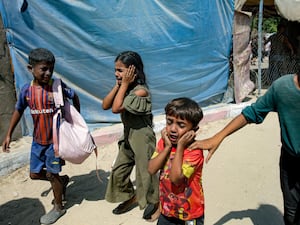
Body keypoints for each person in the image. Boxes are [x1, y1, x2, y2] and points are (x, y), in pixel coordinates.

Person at [190, 62, 300, 225]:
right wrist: (218, 136)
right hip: (291, 164)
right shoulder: (283, 88)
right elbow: (253, 113)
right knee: (292, 215)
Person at [2, 48, 80, 224]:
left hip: (56, 142)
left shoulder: (57, 87)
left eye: (51, 69)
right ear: (31, 68)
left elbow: (74, 97)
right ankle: (62, 180)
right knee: (34, 174)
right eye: (43, 69)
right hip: (38, 142)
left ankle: (59, 207)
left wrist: (75, 119)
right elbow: (18, 110)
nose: (48, 73)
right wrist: (8, 134)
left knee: (52, 174)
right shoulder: (26, 91)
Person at [102, 51, 159, 220]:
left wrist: (124, 84)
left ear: (132, 71)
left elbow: (116, 108)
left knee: (145, 173)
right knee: (119, 171)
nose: (116, 74)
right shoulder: (124, 88)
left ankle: (156, 203)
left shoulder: (141, 91)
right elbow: (105, 105)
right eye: (116, 70)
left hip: (142, 137)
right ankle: (130, 196)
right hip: (128, 136)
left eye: (120, 70)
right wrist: (119, 85)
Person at [148, 97, 205, 225]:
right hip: (167, 210)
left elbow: (176, 179)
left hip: (189, 213)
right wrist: (168, 147)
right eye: (169, 122)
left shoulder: (194, 151)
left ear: (193, 129)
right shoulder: (164, 143)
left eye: (181, 125)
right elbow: (151, 169)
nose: (173, 129)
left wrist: (179, 147)